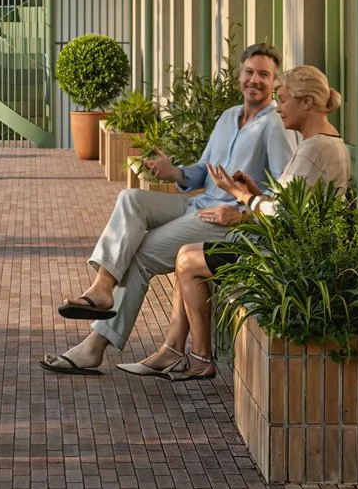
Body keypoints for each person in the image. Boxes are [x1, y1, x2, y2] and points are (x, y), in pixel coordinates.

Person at [38, 44, 292, 375]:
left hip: (223, 220)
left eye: (263, 74)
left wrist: (243, 213)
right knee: (131, 198)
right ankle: (102, 288)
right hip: (196, 204)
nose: (254, 80)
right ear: (239, 75)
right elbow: (203, 169)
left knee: (141, 253)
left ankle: (94, 347)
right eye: (249, 72)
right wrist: (176, 173)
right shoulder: (228, 117)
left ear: (274, 81)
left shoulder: (275, 126)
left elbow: (284, 194)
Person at [121, 65, 354, 382]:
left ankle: (199, 358)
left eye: (284, 99)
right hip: (288, 246)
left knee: (188, 260)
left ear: (307, 102)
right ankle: (182, 352)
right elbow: (294, 204)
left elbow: (282, 215)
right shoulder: (319, 144)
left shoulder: (314, 148)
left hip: (284, 256)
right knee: (188, 253)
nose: (279, 108)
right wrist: (254, 192)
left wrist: (239, 196)